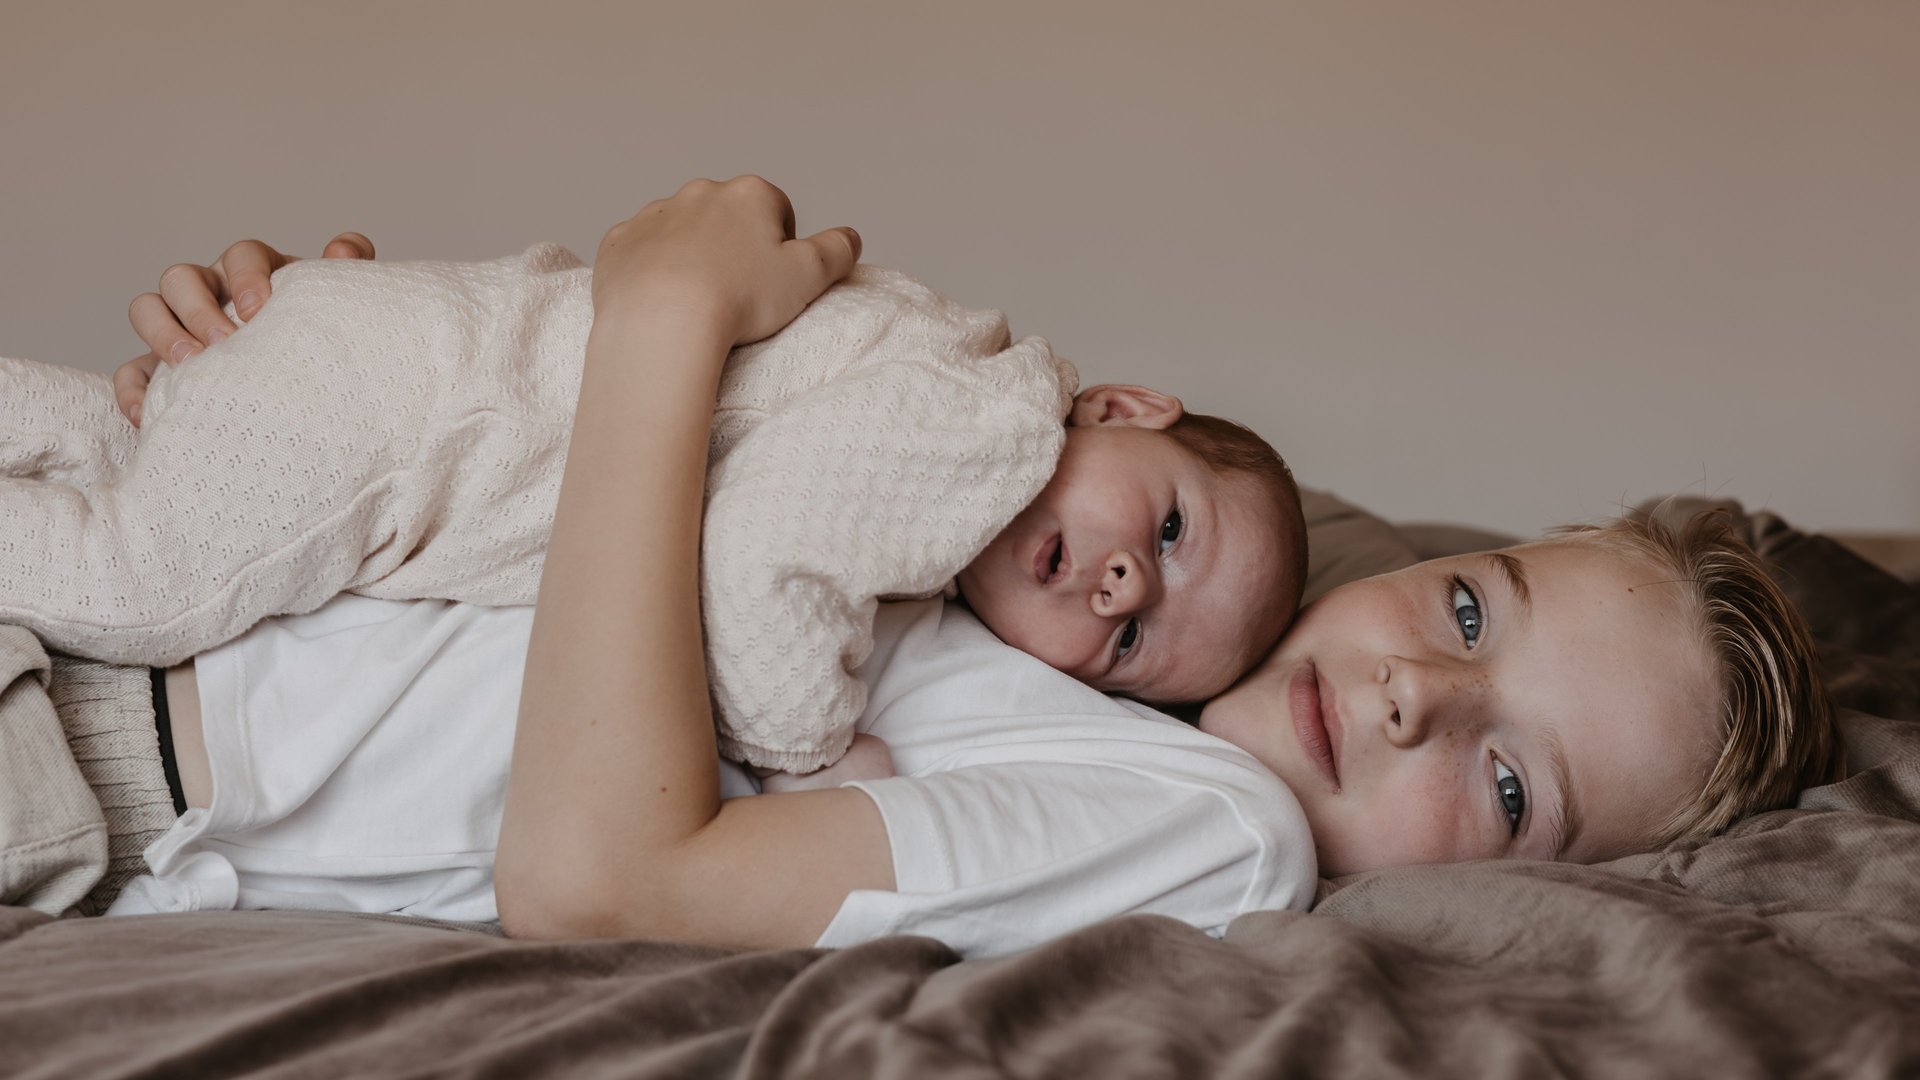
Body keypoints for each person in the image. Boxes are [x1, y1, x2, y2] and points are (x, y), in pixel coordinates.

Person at [6, 178, 1843, 958]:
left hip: (97, 750)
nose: (1415, 696)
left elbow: (597, 875)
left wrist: (659, 315)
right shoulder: (1035, 560)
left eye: (1510, 779)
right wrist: (317, 342)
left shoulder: (1217, 829)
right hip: (127, 600)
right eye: (1466, 611)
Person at [1, 235, 1305, 781]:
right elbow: (761, 554)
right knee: (135, 580)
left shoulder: (941, 376)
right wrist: (815, 752)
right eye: (1175, 530)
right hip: (404, 419)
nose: (1123, 585)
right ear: (1121, 407)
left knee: (105, 460)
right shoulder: (986, 427)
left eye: (1132, 642)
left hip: (400, 363)